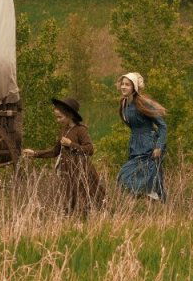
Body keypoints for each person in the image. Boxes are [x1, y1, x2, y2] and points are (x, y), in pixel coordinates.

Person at [23, 96, 103, 215]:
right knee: (69, 201)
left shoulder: (80, 130)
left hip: (81, 171)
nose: (58, 120)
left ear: (70, 115)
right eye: (57, 117)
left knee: (87, 201)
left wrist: (71, 144)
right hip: (67, 172)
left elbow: (90, 149)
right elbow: (55, 151)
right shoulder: (63, 130)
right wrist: (34, 153)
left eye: (60, 117)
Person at [115, 72, 168, 202]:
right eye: (122, 84)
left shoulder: (143, 103)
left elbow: (162, 126)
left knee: (145, 178)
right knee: (127, 175)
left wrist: (158, 147)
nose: (123, 87)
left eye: (127, 84)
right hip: (135, 146)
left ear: (134, 87)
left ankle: (154, 207)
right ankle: (142, 207)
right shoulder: (123, 104)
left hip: (149, 146)